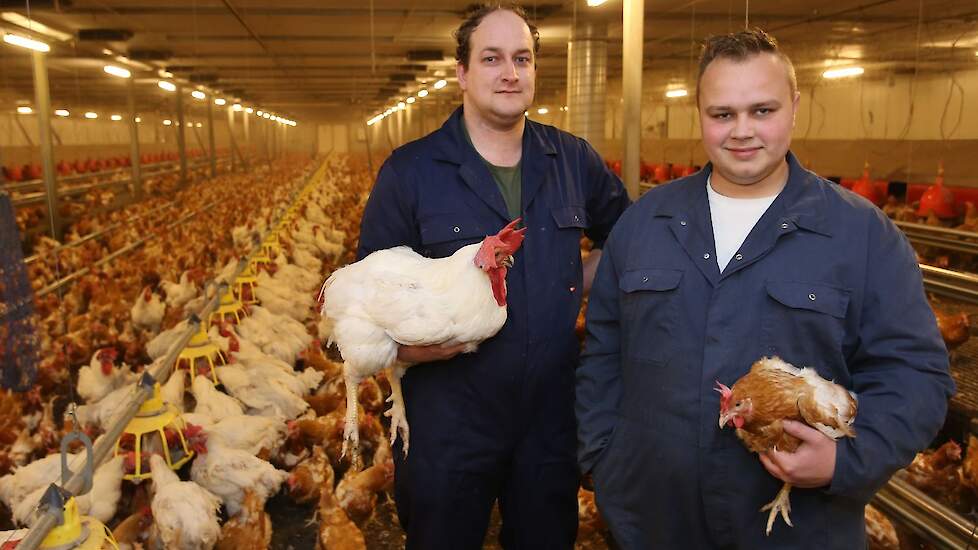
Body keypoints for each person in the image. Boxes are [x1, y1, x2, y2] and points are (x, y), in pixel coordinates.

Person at [576, 28, 954, 549]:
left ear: (795, 108)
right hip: (654, 521)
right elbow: (602, 353)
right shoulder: (645, 225)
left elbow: (917, 374)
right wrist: (606, 457)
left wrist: (846, 459)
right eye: (722, 114)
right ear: (700, 113)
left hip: (798, 527)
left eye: (763, 111)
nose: (742, 132)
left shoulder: (861, 235)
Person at [356, 3, 630, 548]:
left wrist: (577, 277)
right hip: (447, 418)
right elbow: (363, 302)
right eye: (492, 58)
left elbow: (627, 238)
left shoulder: (572, 159)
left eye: (522, 58)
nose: (510, 72)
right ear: (461, 73)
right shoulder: (411, 172)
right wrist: (409, 352)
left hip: (550, 418)